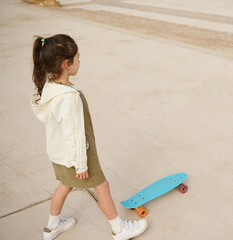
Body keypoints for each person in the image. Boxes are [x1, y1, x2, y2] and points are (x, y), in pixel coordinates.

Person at [30, 34, 148, 240]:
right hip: (77, 154)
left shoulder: (50, 87)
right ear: (67, 64)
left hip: (58, 153)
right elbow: (72, 133)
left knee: (64, 185)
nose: (79, 61)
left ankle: (51, 227)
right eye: (77, 57)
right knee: (102, 186)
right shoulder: (68, 97)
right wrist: (81, 165)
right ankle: (119, 230)